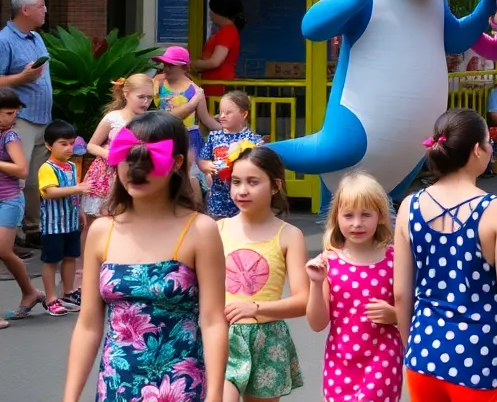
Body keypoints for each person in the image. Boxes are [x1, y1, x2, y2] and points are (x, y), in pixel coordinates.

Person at [61, 111, 228, 402]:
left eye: (148, 160)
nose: (136, 170)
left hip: (180, 389)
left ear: (176, 163)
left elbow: (213, 321)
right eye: (128, 158)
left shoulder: (200, 230)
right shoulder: (102, 231)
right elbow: (88, 324)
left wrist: (215, 397)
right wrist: (70, 397)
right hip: (116, 388)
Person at [394, 108, 497, 401]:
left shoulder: (409, 206)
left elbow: (400, 293)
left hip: (423, 350)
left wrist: (412, 346)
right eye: (488, 143)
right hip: (478, 354)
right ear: (476, 150)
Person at [219, 144, 307, 400]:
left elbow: (303, 301)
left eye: (253, 182)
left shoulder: (290, 235)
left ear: (275, 185)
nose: (242, 190)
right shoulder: (217, 230)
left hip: (268, 339)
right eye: (236, 182)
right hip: (222, 335)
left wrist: (255, 308)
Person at [306, 171, 403, 402]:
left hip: (383, 360)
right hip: (340, 362)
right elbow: (317, 323)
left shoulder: (395, 260)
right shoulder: (329, 262)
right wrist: (316, 283)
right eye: (348, 215)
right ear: (336, 218)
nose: (357, 223)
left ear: (380, 216)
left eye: (366, 215)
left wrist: (395, 314)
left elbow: (415, 309)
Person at [0, 0, 52, 249]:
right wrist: (21, 78)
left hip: (43, 119)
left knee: (35, 180)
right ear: (25, 10)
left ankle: (33, 230)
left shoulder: (36, 38)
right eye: (41, 6)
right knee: (17, 180)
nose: (46, 10)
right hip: (20, 119)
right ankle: (11, 236)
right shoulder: (4, 40)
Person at [82, 75, 154, 230]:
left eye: (150, 98)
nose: (146, 102)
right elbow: (91, 145)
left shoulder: (150, 121)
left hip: (133, 173)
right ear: (126, 93)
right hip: (107, 174)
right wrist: (111, 154)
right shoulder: (113, 118)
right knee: (97, 223)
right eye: (141, 97)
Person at [38, 120, 94, 316]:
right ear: (48, 145)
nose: (69, 148)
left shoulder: (71, 166)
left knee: (71, 258)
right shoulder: (47, 168)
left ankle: (68, 293)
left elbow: (74, 195)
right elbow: (49, 192)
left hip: (70, 222)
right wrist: (78, 188)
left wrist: (80, 213)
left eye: (71, 143)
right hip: (53, 225)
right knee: (51, 261)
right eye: (63, 143)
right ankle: (50, 297)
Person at [0, 87, 43, 325]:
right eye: (8, 113)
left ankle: (29, 292)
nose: (12, 117)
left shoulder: (10, 137)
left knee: (3, 251)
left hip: (9, 200)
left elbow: (21, 170)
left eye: (14, 112)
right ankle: (31, 293)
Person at [153, 45, 213, 200]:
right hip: (163, 136)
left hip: (187, 138)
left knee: (190, 177)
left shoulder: (195, 91)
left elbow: (205, 119)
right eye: (164, 64)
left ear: (184, 67)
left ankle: (196, 212)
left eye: (171, 65)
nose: (166, 68)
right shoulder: (158, 83)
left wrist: (230, 129)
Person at [198, 90, 262, 218]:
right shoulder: (214, 136)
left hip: (243, 197)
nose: (222, 116)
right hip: (218, 198)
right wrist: (206, 166)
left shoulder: (253, 140)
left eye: (228, 113)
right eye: (221, 112)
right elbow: (202, 159)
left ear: (243, 114)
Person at [193, 0, 245, 98]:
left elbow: (215, 61)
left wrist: (194, 64)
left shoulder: (227, 31)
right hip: (214, 83)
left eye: (212, 10)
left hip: (218, 85)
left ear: (220, 13)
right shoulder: (225, 31)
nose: (210, 13)